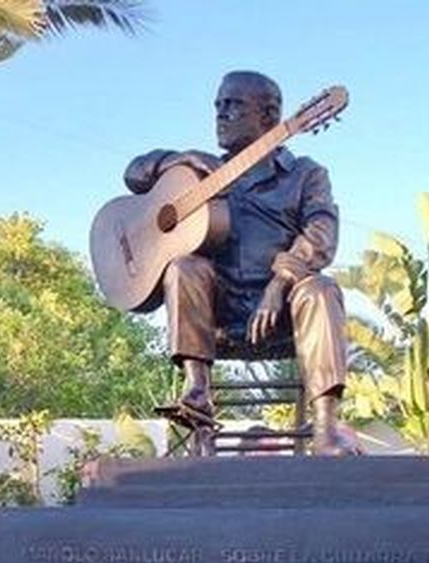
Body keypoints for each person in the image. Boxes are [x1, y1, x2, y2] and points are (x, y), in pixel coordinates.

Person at [123, 70, 353, 455]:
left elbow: (322, 235)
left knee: (321, 288)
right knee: (184, 267)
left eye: (233, 104)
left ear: (269, 114)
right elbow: (133, 173)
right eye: (218, 105)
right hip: (217, 314)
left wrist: (279, 285)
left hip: (285, 314)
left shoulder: (305, 174)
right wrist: (176, 159)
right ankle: (197, 395)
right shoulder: (198, 173)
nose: (221, 113)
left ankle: (326, 430)